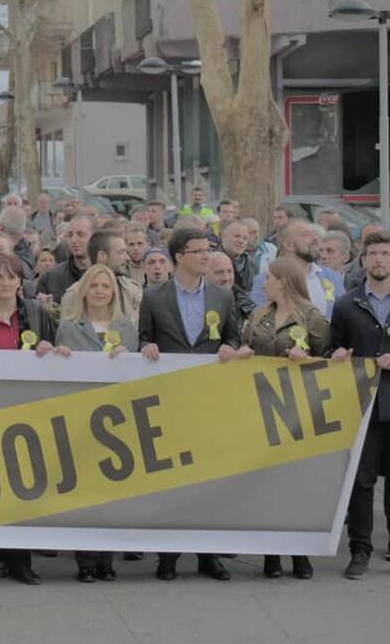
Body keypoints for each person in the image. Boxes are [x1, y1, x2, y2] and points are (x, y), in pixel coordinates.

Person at [138, 227, 241, 582]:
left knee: (209, 478)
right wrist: (146, 348)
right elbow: (144, 338)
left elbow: (232, 336)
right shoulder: (154, 297)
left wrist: (229, 348)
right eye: (198, 251)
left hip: (209, 397)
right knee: (173, 480)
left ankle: (208, 554)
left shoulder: (222, 296)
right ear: (179, 257)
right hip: (170, 397)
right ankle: (168, 555)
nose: (205, 256)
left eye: (207, 249)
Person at [0, 253, 57, 586]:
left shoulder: (39, 315)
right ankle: (5, 555)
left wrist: (50, 348)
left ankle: (17, 559)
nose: (5, 283)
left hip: (30, 412)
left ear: (21, 282)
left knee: (25, 486)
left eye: (11, 277)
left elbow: (60, 352)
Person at [240, 256, 329, 580]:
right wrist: (240, 353)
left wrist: (308, 359)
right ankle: (271, 554)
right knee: (267, 483)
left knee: (295, 484)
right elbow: (246, 345)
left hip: (299, 408)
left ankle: (300, 553)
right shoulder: (259, 315)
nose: (264, 283)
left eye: (269, 278)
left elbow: (330, 358)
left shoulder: (312, 317)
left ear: (283, 281)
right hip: (262, 405)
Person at [54, 263, 139, 582]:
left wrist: (133, 356)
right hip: (81, 416)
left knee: (112, 491)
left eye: (105, 286)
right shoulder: (68, 327)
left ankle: (107, 558)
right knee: (84, 492)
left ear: (113, 292)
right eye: (94, 286)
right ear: (84, 291)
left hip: (116, 419)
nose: (100, 291)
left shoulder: (127, 328)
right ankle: (85, 560)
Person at [329, 230, 390, 580]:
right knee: (362, 481)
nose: (379, 260)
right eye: (374, 254)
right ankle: (360, 549)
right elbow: (332, 347)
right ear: (363, 260)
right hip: (362, 404)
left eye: (385, 254)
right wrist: (336, 354)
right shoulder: (346, 304)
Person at [251, 219, 344, 320]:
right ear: (289, 245)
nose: (315, 238)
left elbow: (343, 318)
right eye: (306, 235)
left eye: (313, 233)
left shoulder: (332, 278)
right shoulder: (265, 281)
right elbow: (260, 321)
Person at [59, 230, 142, 325]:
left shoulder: (133, 291)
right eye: (121, 252)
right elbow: (66, 332)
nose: (127, 258)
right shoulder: (74, 295)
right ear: (102, 256)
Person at [38, 213, 94, 302]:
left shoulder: (108, 275)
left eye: (80, 234)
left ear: (94, 237)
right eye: (70, 235)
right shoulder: (50, 278)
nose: (74, 240)